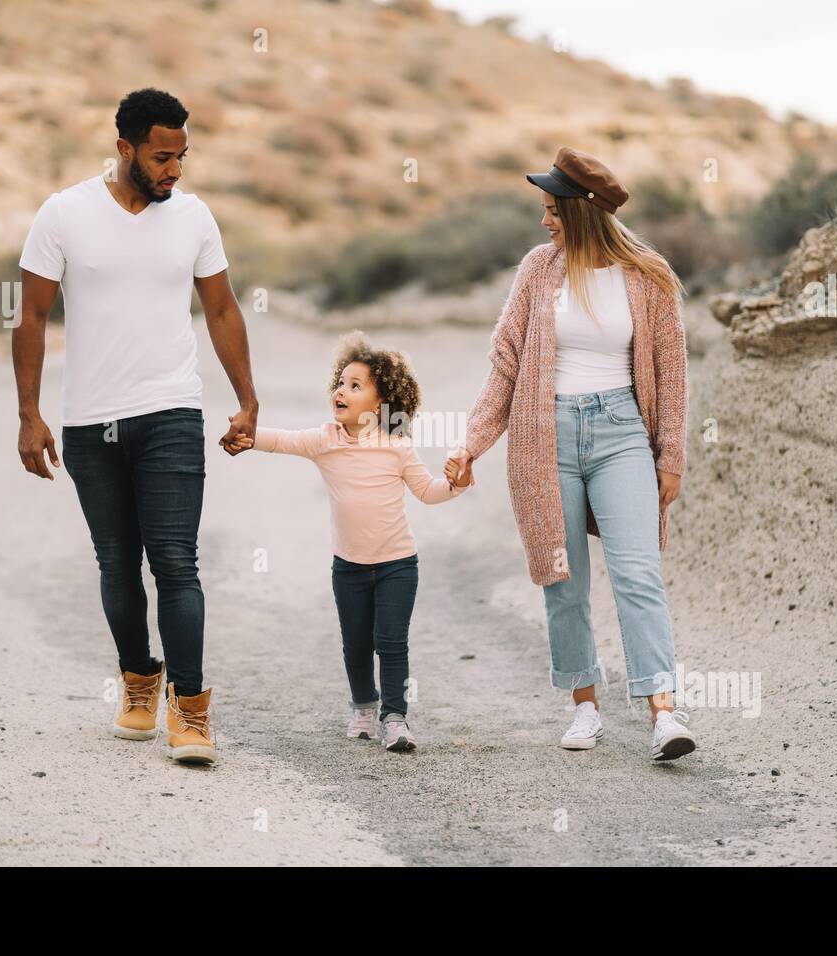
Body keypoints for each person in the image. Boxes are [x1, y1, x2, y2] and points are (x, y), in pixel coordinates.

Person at [13, 88, 258, 765]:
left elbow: (222, 310)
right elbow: (30, 316)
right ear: (124, 149)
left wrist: (247, 398)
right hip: (91, 420)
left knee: (176, 562)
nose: (174, 171)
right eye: (161, 157)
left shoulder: (195, 217)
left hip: (173, 410)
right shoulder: (63, 213)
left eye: (182, 156)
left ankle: (191, 708)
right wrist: (29, 415)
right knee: (117, 563)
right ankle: (137, 676)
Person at [444, 146, 697, 761]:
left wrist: (671, 456)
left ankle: (664, 711)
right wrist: (473, 441)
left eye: (552, 209)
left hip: (621, 433)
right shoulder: (537, 271)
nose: (544, 221)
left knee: (638, 573)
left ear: (582, 211)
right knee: (563, 578)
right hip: (545, 436)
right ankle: (585, 707)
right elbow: (506, 360)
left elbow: (671, 369)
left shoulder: (648, 277)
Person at [224, 331, 472, 752]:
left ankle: (395, 718)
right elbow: (280, 439)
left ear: (380, 403)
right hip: (349, 567)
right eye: (341, 383)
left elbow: (429, 492)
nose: (342, 391)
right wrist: (244, 435)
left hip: (398, 564)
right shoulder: (325, 440)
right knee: (356, 642)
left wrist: (457, 484)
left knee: (391, 642)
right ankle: (362, 705)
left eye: (355, 386)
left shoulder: (397, 446)